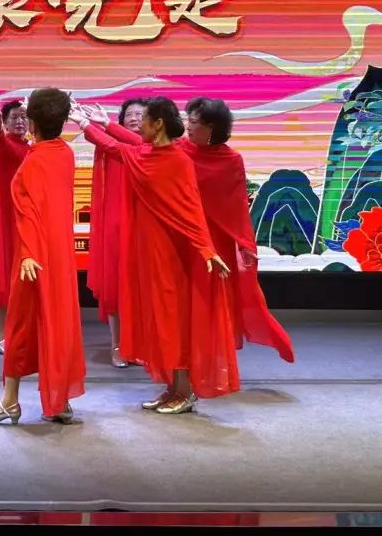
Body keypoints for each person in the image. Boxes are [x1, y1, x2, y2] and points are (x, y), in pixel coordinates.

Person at [73, 97, 238, 414]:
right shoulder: (145, 154)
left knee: (173, 322)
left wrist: (206, 248)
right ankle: (172, 388)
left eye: (145, 118)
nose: (139, 124)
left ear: (158, 124)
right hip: (149, 255)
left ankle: (185, 392)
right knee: (160, 323)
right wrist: (91, 123)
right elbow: (115, 146)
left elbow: (191, 209)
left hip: (172, 257)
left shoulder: (177, 160)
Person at [0, 88, 86, 425]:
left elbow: (28, 216)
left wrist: (26, 254)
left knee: (21, 327)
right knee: (58, 324)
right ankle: (59, 399)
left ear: (33, 123)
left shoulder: (32, 163)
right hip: (60, 258)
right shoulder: (65, 153)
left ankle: (10, 401)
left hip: (32, 258)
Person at [181, 97, 294, 363]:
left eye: (194, 122)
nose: (188, 126)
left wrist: (245, 243)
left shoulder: (231, 160)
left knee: (210, 296)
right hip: (183, 234)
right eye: (188, 120)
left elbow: (237, 204)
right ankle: (184, 355)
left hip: (215, 239)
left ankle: (209, 357)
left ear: (211, 127)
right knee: (182, 296)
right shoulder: (178, 149)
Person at [87, 98, 148, 368]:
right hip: (116, 223)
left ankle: (141, 345)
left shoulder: (153, 148)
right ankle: (117, 345)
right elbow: (96, 137)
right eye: (129, 114)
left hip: (146, 226)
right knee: (116, 285)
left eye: (141, 114)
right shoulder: (112, 144)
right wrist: (88, 122)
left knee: (143, 288)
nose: (134, 118)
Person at [0, 99, 31, 353]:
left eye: (24, 117)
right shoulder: (3, 142)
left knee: (25, 278)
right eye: (14, 118)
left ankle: (22, 332)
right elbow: (4, 147)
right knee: (5, 275)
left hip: (28, 217)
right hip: (8, 219)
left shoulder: (32, 147)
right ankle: (0, 334)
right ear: (6, 122)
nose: (20, 122)